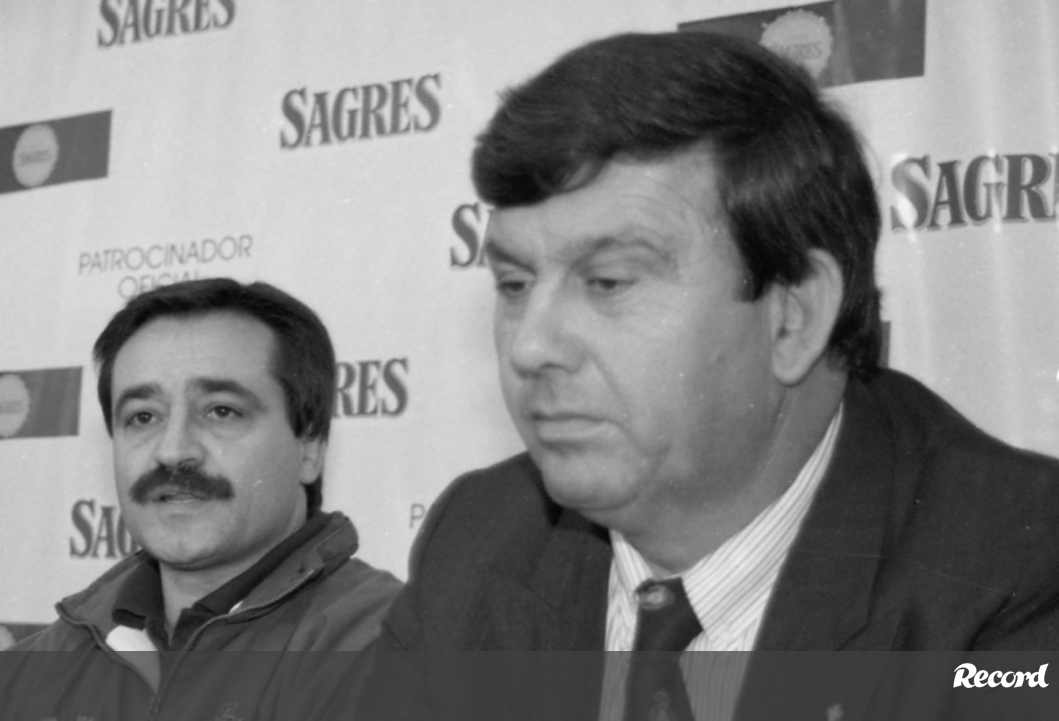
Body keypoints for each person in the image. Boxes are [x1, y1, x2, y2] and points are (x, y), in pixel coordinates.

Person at [364, 31, 1059, 721]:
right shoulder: (478, 537)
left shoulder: (1021, 572)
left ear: (792, 317)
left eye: (608, 281)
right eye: (515, 284)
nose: (530, 346)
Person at [0, 277, 401, 721]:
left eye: (221, 411)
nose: (173, 450)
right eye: (143, 417)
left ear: (310, 447)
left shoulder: (387, 647)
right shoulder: (40, 669)